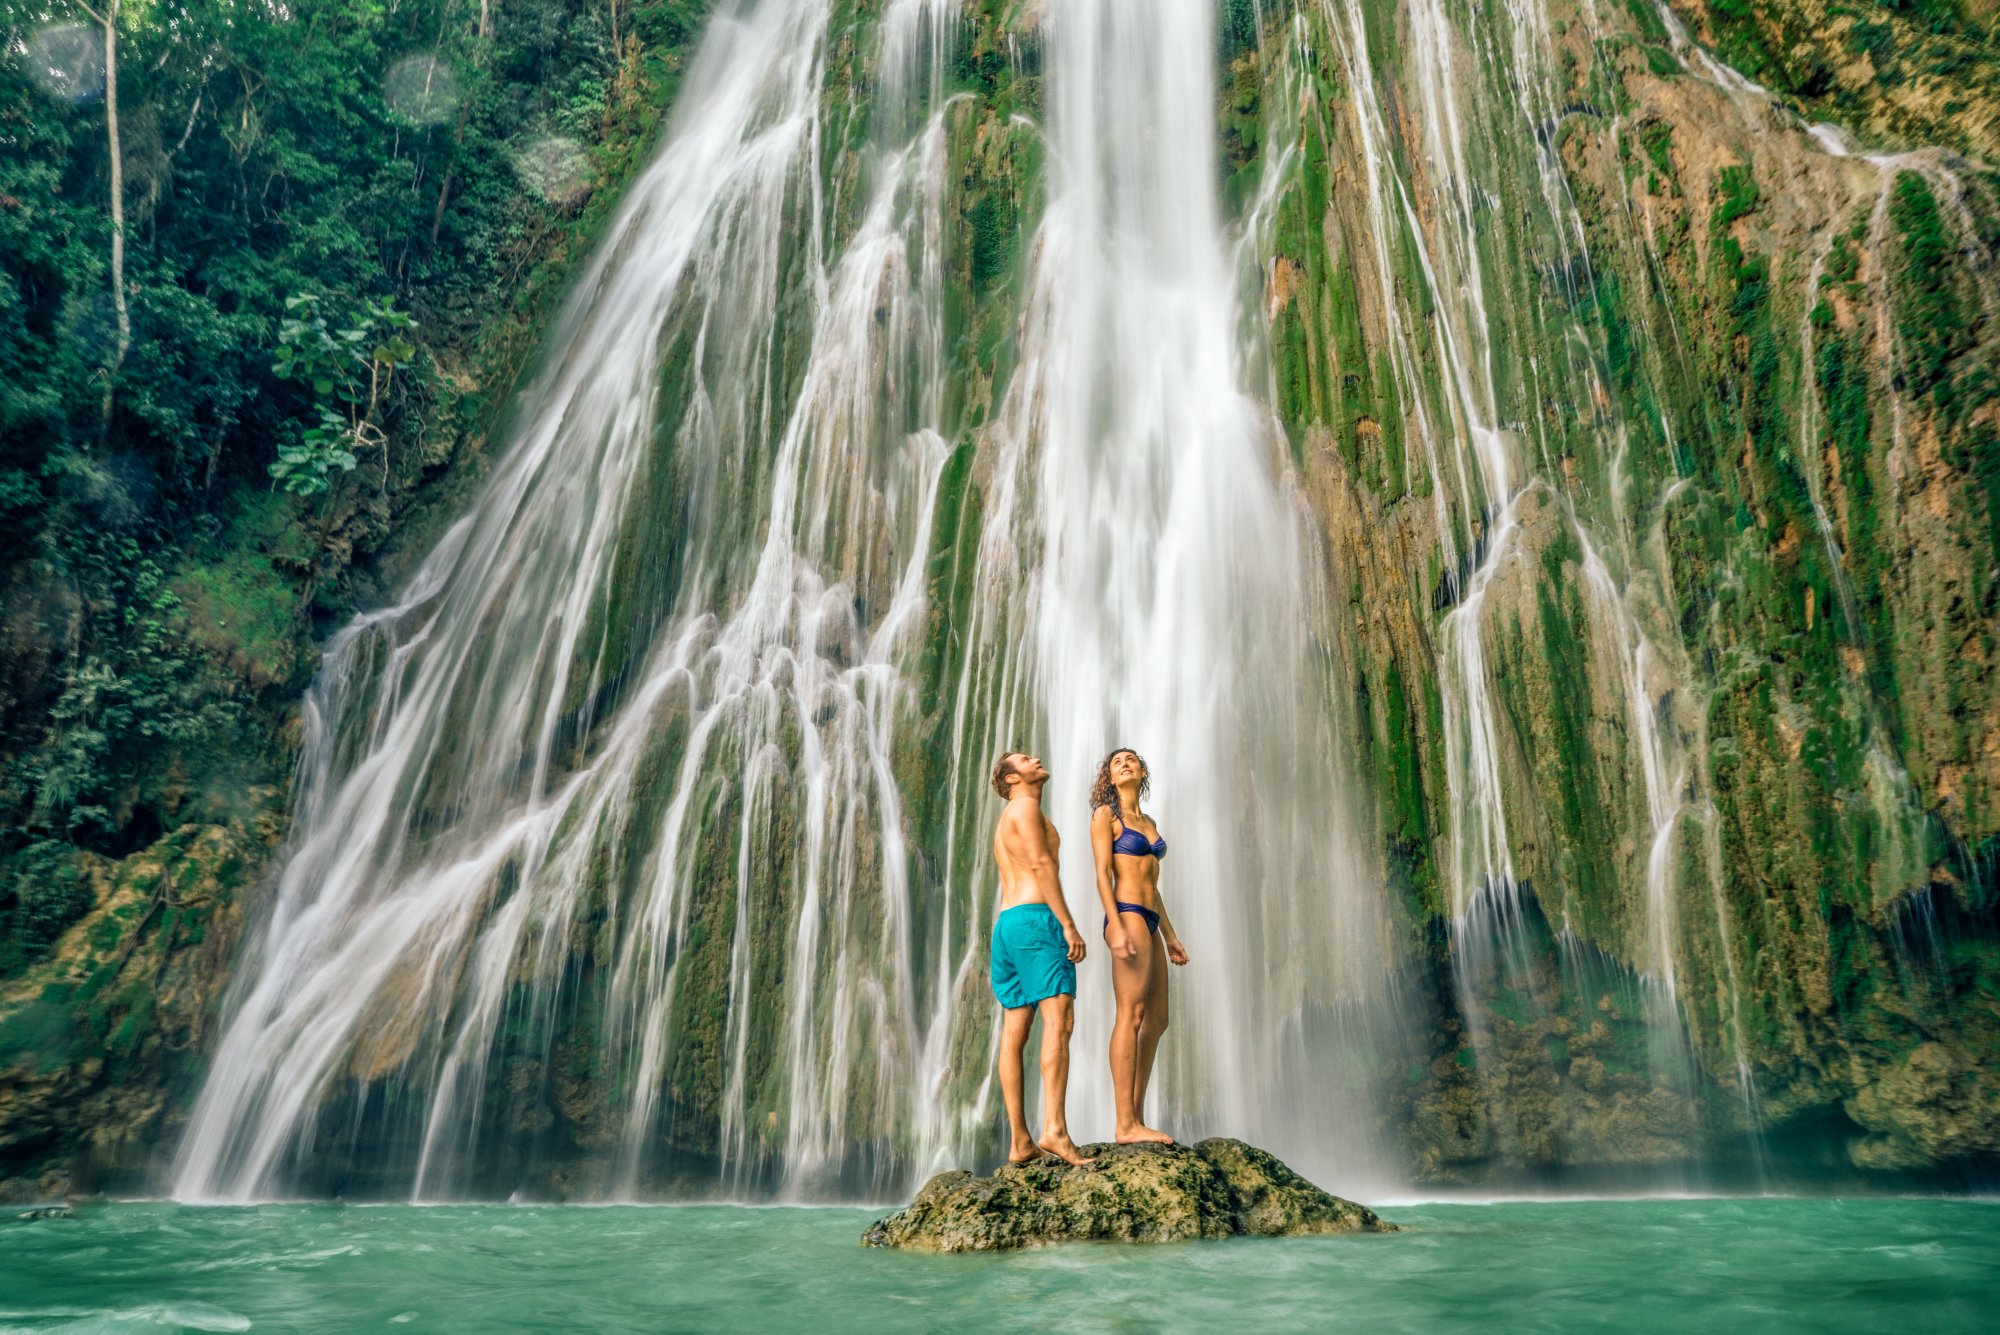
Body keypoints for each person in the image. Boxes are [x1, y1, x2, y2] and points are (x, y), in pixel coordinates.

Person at [988, 750, 1094, 1167]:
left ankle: (1020, 1141)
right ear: (1011, 779)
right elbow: (1042, 863)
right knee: (1060, 1020)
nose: (1035, 760)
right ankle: (1055, 1129)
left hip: (1007, 924)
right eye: (1025, 760)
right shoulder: (1026, 807)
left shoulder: (1006, 819)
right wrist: (1067, 924)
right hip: (1035, 920)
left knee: (1015, 1029)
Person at [1089, 747, 1188, 1145]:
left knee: (1158, 1018)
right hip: (1126, 914)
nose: (1125, 763)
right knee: (1130, 1013)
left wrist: (1171, 935)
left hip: (1149, 919)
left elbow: (1153, 886)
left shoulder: (1148, 821)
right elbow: (1101, 875)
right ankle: (1124, 1123)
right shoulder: (1105, 816)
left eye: (1131, 759)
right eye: (1117, 762)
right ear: (1110, 779)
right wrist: (1113, 924)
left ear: (1142, 770)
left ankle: (1137, 1113)